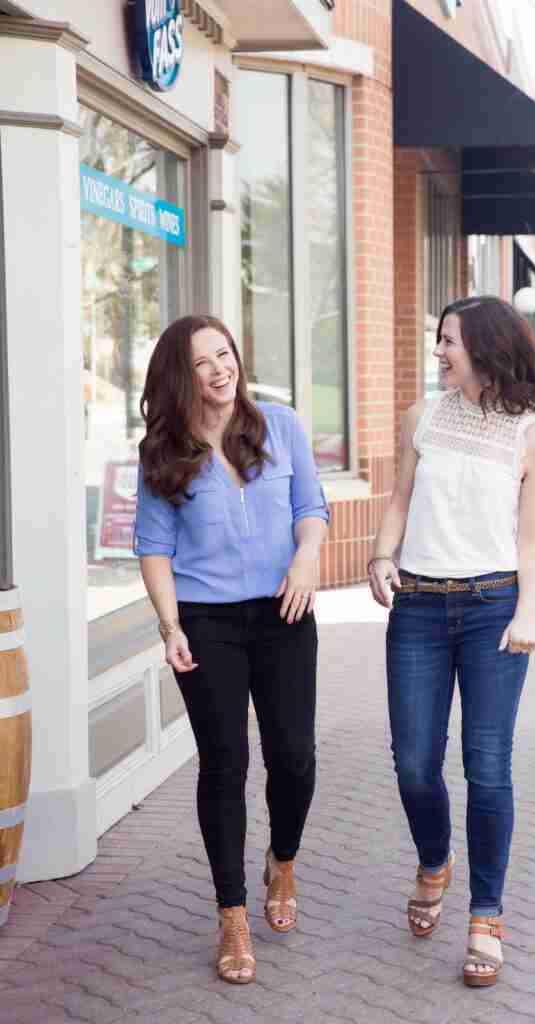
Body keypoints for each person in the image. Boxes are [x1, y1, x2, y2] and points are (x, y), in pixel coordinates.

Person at [368, 296, 535, 988]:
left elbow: (531, 542)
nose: (438, 350)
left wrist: (527, 613)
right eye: (437, 337)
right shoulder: (420, 417)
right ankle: (432, 861)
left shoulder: (532, 438)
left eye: (447, 340)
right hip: (416, 606)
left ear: (483, 347)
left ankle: (485, 914)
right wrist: (381, 558)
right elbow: (398, 501)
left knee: (487, 766)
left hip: (491, 610)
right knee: (414, 763)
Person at [134, 314, 329, 985]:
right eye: (202, 363)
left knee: (294, 757)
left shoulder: (281, 424)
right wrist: (170, 626)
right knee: (225, 764)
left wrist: (306, 559)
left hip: (284, 610)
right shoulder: (163, 451)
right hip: (206, 620)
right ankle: (233, 915)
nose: (220, 370)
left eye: (225, 354)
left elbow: (313, 507)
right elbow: (153, 548)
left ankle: (282, 859)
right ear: (178, 379)